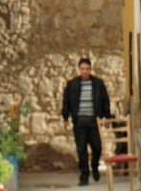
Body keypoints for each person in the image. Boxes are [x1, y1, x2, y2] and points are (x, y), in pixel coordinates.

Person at [62, 57, 112, 186]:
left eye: (87, 69)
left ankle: (95, 166)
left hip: (93, 121)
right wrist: (66, 118)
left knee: (97, 147)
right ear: (79, 69)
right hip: (79, 122)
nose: (85, 71)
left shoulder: (98, 84)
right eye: (82, 69)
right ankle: (84, 176)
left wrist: (107, 118)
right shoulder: (72, 84)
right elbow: (66, 102)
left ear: (90, 69)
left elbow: (105, 101)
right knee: (81, 149)